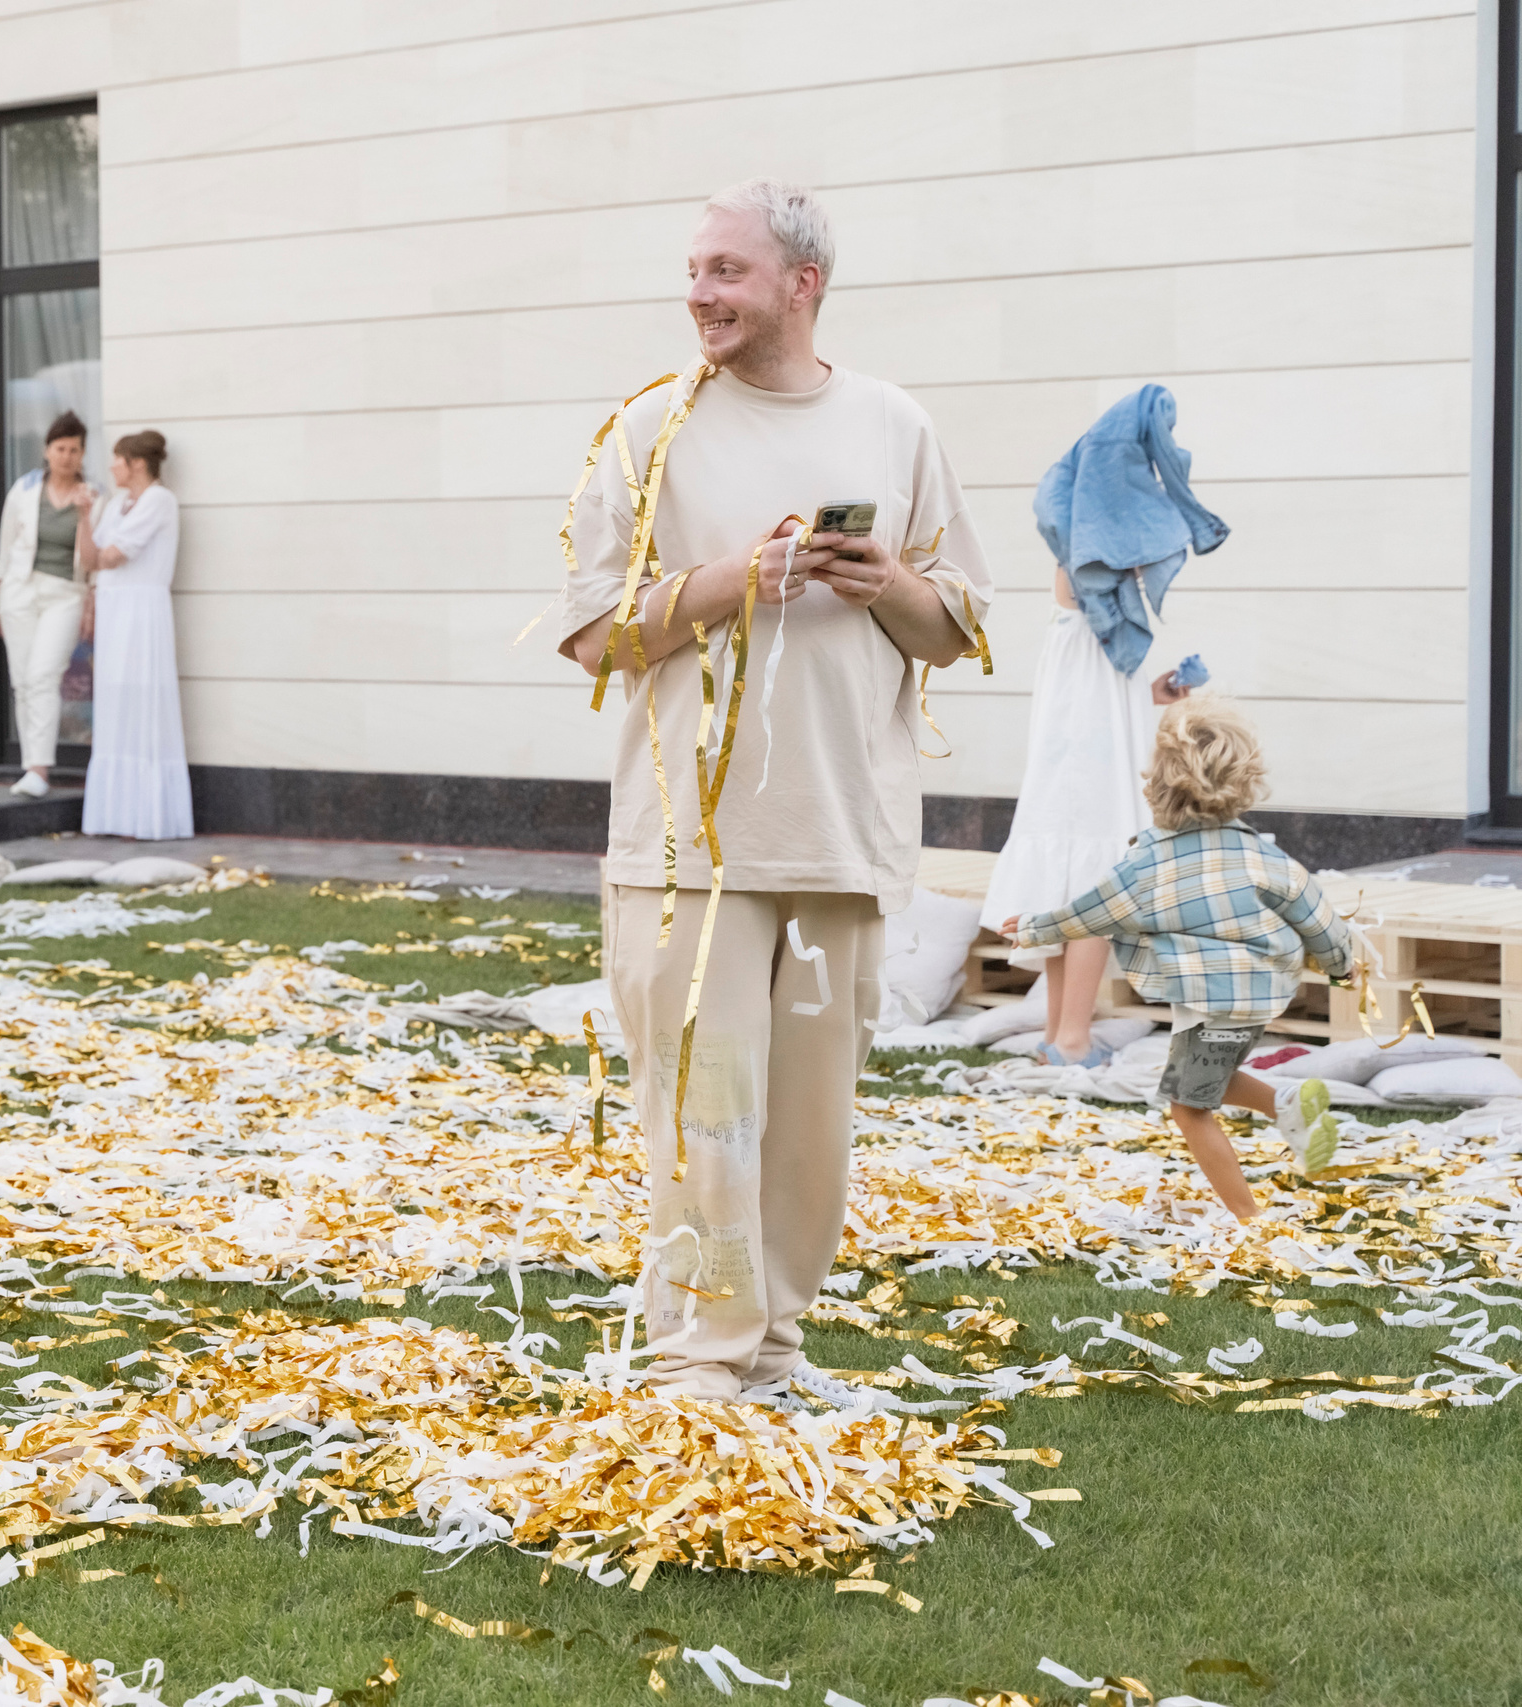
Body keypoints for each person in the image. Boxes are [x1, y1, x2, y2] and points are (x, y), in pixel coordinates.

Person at [556, 180, 992, 1403]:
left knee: (807, 1128)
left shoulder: (895, 425)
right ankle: (699, 1356)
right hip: (684, 845)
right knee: (701, 1111)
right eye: (693, 270)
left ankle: (777, 1349)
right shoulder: (648, 433)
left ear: (802, 283)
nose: (698, 293)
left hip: (837, 836)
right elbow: (593, 634)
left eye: (724, 273)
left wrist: (884, 580)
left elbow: (954, 627)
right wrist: (730, 580)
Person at [1003, 699, 1349, 1219]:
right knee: (1207, 1075)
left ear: (1155, 785)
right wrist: (1342, 966)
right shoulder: (1264, 855)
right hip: (1260, 994)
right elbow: (1316, 914)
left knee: (1189, 1108)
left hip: (1208, 997)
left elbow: (1093, 912)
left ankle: (1249, 1218)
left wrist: (1035, 928)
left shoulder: (1148, 861)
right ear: (1243, 782)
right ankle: (1286, 1104)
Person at [980, 384, 1226, 1067]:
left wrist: (1159, 689)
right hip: (1084, 760)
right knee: (1089, 886)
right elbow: (1092, 620)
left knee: (1074, 887)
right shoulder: (1086, 565)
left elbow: (1107, 679)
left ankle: (1064, 1032)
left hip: (1083, 745)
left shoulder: (1092, 596)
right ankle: (1073, 1035)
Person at [76, 429, 192, 840]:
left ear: (136, 463)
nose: (111, 467)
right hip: (114, 608)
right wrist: (83, 516)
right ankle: (115, 814)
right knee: (115, 701)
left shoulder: (160, 501)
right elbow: (90, 558)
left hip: (142, 610)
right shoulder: (115, 505)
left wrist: (97, 547)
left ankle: (148, 815)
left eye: (118, 459)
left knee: (143, 701)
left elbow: (113, 555)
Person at [0, 412, 97, 800]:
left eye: (74, 449)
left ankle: (40, 768)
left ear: (83, 454)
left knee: (43, 675)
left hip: (65, 595)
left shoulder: (93, 496)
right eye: (60, 448)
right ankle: (29, 767)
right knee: (22, 681)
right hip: (19, 591)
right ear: (47, 451)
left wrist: (91, 602)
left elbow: (92, 561)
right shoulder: (24, 490)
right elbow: (5, 547)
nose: (67, 457)